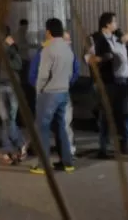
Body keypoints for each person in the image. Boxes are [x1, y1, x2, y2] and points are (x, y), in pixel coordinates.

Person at [29, 17, 76, 175]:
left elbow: (43, 74)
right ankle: (67, 162)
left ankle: (43, 165)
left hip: (49, 93)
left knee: (42, 128)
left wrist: (38, 89)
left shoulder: (48, 49)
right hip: (64, 91)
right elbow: (70, 72)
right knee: (60, 127)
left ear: (48, 31)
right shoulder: (67, 49)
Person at [87, 12, 128, 159]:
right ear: (107, 24)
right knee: (106, 114)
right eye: (114, 22)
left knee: (127, 113)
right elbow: (89, 58)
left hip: (124, 81)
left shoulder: (117, 38)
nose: (117, 24)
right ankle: (103, 147)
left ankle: (126, 144)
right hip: (108, 82)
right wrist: (102, 58)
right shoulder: (95, 39)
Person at [0, 27, 26, 164]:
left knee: (10, 119)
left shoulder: (12, 49)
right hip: (0, 86)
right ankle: (18, 145)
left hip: (12, 85)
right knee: (5, 119)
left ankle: (11, 148)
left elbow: (18, 64)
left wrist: (11, 48)